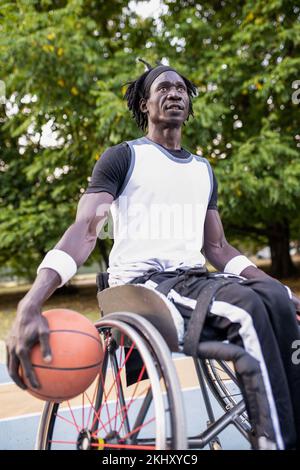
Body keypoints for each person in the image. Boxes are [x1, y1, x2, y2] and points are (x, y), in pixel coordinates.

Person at [6, 60, 300, 450]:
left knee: (276, 302)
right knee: (245, 308)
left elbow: (217, 248)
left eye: (181, 88)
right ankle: (278, 442)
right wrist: (31, 300)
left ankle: (285, 425)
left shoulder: (203, 169)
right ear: (145, 104)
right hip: (141, 286)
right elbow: (85, 231)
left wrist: (280, 288)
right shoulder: (123, 157)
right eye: (163, 87)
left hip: (194, 280)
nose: (175, 92)